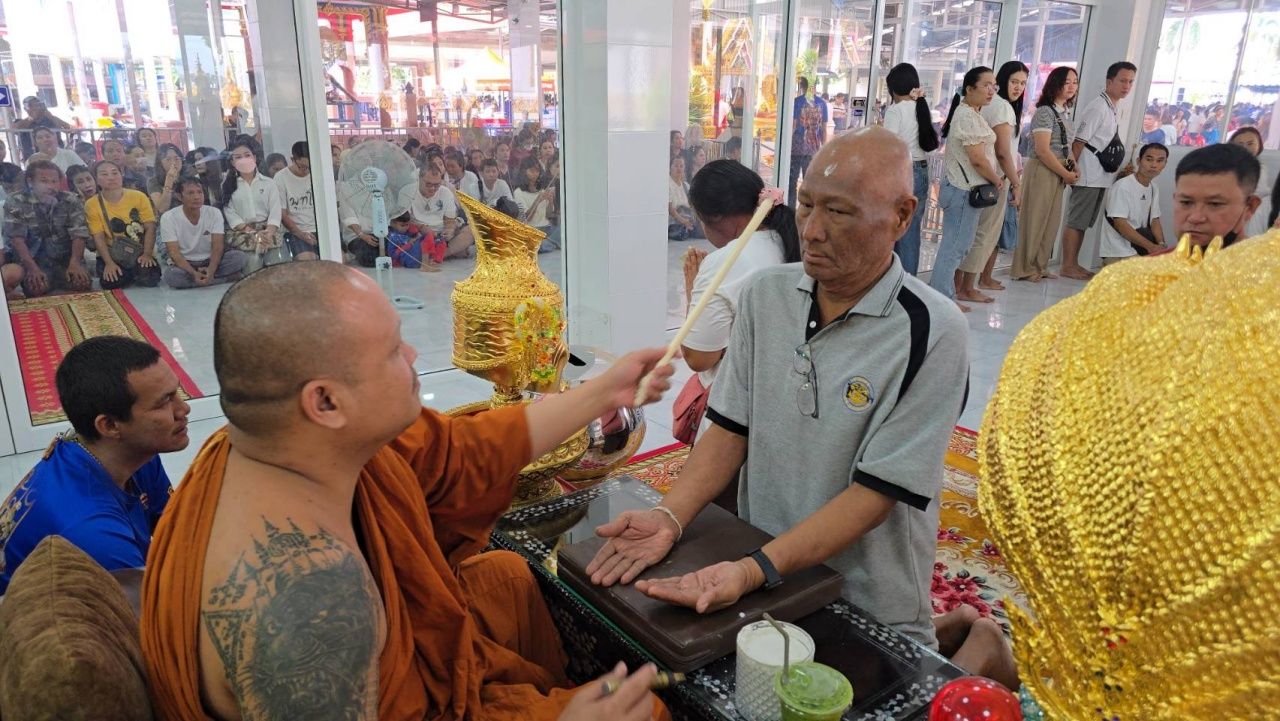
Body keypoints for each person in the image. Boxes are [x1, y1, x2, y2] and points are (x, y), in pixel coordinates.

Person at [138, 260, 674, 721]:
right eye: (394, 349)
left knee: (507, 577)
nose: (415, 354)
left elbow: (466, 451)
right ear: (325, 402)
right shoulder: (305, 605)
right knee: (647, 712)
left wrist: (605, 391)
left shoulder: (293, 441)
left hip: (407, 669)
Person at [587, 127, 1016, 687]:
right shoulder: (766, 295)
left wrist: (752, 571)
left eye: (838, 211)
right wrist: (669, 517)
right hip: (765, 566)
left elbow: (875, 495)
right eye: (807, 204)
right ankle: (955, 628)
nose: (811, 230)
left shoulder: (932, 329)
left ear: (902, 216)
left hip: (865, 591)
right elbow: (728, 428)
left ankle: (978, 643)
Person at [0, 336, 187, 595]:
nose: (183, 408)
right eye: (164, 402)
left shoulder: (132, 454)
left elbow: (178, 531)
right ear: (109, 425)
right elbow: (146, 614)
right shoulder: (95, 534)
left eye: (176, 393)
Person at [676, 161, 800, 445]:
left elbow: (699, 357)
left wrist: (693, 290)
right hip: (792, 401)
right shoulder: (793, 240)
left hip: (737, 414)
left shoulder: (725, 263)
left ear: (715, 218)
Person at [929, 66, 1003, 312]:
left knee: (958, 245)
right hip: (962, 190)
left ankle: (942, 296)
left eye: (994, 86)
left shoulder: (971, 113)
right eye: (986, 85)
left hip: (963, 189)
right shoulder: (967, 117)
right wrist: (996, 179)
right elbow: (977, 159)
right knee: (954, 247)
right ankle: (942, 299)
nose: (991, 91)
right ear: (969, 89)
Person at [956, 61, 1028, 303]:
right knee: (984, 234)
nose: (1018, 88)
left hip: (981, 178)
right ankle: (967, 287)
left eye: (1023, 84)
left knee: (974, 234)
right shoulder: (1001, 107)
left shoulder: (984, 105)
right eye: (1014, 81)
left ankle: (963, 285)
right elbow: (1003, 153)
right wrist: (1016, 183)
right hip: (994, 178)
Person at [1062, 61, 1137, 279]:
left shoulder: (1112, 107)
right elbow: (1078, 142)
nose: (1127, 86)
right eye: (1122, 81)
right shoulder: (1098, 107)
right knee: (1076, 221)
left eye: (1130, 82)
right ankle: (1067, 265)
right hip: (1087, 174)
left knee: (1084, 223)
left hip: (1100, 176)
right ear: (1109, 81)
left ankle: (1073, 263)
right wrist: (1070, 173)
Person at [1012, 67, 1080, 282]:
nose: (1071, 87)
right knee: (1034, 220)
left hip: (1058, 170)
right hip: (1043, 170)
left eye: (1075, 82)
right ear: (1055, 84)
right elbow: (1042, 150)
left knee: (1050, 222)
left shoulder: (1064, 112)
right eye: (1067, 82)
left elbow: (1065, 145)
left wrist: (1073, 166)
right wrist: (1066, 174)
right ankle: (1025, 268)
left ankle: (1040, 265)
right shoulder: (1044, 112)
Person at [882, 63, 940, 276]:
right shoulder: (921, 107)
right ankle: (909, 282)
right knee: (912, 230)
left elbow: (889, 147)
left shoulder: (895, 111)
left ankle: (898, 281)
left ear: (894, 88)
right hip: (921, 170)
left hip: (903, 170)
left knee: (896, 228)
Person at [2, 160, 93, 297]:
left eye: (54, 181)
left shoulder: (69, 200)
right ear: (30, 181)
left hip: (65, 259)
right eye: (44, 181)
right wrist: (32, 268)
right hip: (33, 260)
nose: (51, 186)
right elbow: (16, 239)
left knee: (81, 284)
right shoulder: (16, 201)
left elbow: (79, 234)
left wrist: (75, 263)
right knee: (37, 288)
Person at [1170, 142, 1261, 249]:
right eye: (1186, 202)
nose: (1195, 218)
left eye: (1214, 204)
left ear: (1250, 207)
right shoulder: (1158, 259)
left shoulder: (1268, 260)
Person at [159, 178, 247, 289]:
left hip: (210, 260)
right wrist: (193, 273)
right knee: (171, 276)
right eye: (190, 193)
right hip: (187, 263)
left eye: (199, 192)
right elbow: (174, 253)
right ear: (179, 196)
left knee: (239, 258)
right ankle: (222, 279)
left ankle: (204, 278)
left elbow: (217, 247)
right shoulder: (168, 217)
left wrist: (211, 269)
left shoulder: (214, 213)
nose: (196, 197)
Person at [87, 160, 160, 289]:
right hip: (112, 254)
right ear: (96, 180)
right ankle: (128, 274)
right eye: (104, 174)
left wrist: (147, 254)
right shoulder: (92, 204)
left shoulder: (139, 196)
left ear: (122, 175)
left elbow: (150, 227)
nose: (111, 178)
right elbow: (98, 237)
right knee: (111, 282)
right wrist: (109, 263)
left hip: (139, 251)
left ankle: (133, 273)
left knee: (150, 278)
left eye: (114, 173)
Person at [221, 137, 284, 273]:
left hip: (268, 232)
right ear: (232, 162)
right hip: (245, 233)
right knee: (252, 269)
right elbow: (231, 214)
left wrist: (267, 235)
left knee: (279, 268)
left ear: (254, 157)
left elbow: (275, 212)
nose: (243, 159)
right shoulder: (228, 186)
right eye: (238, 157)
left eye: (247, 155)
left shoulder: (269, 183)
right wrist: (254, 234)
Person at [1098, 143, 1168, 265]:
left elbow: (1155, 220)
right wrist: (1151, 247)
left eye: (1160, 161)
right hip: (1118, 252)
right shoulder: (1123, 186)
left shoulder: (1153, 188)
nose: (1154, 165)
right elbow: (1120, 224)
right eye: (1149, 159)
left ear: (1165, 164)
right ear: (1138, 161)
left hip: (1139, 248)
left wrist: (1161, 245)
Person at [396, 165, 472, 259]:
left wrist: (449, 230)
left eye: (436, 185)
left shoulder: (445, 192)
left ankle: (441, 254)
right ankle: (444, 252)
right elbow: (402, 220)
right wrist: (421, 227)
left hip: (440, 234)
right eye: (428, 184)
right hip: (418, 235)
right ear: (419, 179)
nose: (432, 188)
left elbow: (449, 220)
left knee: (471, 230)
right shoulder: (407, 191)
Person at [274, 141, 320, 262]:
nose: (306, 171)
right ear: (292, 159)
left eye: (309, 167)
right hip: (296, 231)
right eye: (302, 167)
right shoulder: (281, 178)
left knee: (338, 260)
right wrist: (300, 234)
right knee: (307, 261)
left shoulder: (318, 174)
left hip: (319, 228)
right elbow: (282, 214)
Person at [788, 76, 828, 205]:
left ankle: (791, 207)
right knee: (809, 180)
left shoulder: (797, 101)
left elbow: (793, 125)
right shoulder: (822, 103)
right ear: (814, 87)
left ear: (802, 87)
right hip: (813, 146)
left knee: (792, 180)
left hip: (797, 146)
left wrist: (787, 145)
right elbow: (824, 128)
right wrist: (823, 148)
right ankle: (807, 208)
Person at [1229, 126, 1272, 239]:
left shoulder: (1260, 168)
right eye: (1240, 144)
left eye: (1250, 143)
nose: (1245, 147)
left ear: (1259, 146)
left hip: (1251, 210)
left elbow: (1260, 191)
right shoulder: (1225, 167)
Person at [513, 156, 557, 252]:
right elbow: (526, 218)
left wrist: (550, 201)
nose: (535, 174)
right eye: (532, 171)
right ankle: (547, 244)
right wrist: (537, 200)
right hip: (531, 230)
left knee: (563, 232)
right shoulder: (518, 192)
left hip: (546, 229)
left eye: (537, 171)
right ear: (524, 172)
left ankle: (546, 244)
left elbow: (548, 215)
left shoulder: (542, 189)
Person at [13, 96, 71, 160]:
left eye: (37, 105)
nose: (35, 108)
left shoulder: (50, 119)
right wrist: (31, 118)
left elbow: (67, 128)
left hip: (55, 156)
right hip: (32, 157)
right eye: (31, 106)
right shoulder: (22, 122)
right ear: (25, 109)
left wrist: (49, 115)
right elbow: (13, 130)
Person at [148, 143, 187, 215]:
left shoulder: (188, 177)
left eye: (176, 158)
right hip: (168, 218)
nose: (173, 162)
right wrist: (169, 180)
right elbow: (162, 208)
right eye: (168, 159)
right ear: (160, 163)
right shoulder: (154, 181)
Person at [667, 155, 700, 241]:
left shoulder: (686, 186)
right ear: (670, 167)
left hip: (688, 219)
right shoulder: (667, 184)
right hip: (674, 221)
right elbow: (670, 209)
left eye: (681, 166)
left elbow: (692, 205)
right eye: (676, 166)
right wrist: (684, 221)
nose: (679, 168)